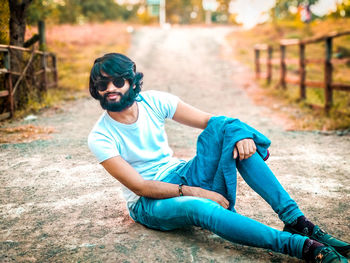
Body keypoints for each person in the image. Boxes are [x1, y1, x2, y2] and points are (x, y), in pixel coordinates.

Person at [88, 53, 349, 263]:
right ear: (96, 90)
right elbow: (140, 187)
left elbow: (212, 123)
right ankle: (303, 247)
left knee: (230, 134)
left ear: (132, 81)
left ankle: (298, 222)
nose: (110, 89)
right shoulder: (100, 136)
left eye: (117, 81)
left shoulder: (154, 101)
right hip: (148, 203)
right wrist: (196, 192)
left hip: (180, 172)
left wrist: (239, 134)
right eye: (102, 85)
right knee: (200, 207)